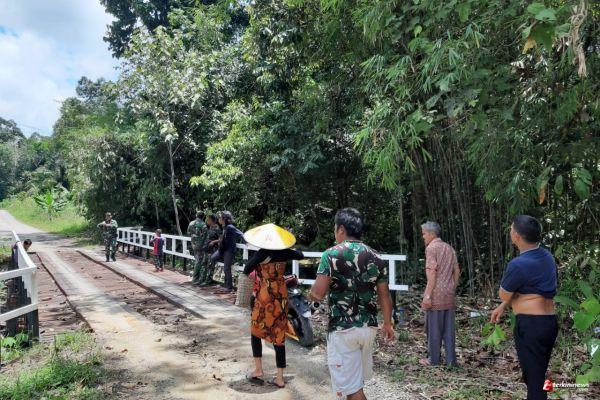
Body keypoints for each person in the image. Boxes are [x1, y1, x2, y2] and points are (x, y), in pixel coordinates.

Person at [310, 208, 394, 400]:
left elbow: (318, 293)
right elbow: (384, 295)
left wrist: (310, 296)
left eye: (334, 229)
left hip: (343, 330)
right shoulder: (376, 257)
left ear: (341, 229)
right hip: (368, 329)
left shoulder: (331, 255)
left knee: (353, 391)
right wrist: (388, 323)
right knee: (355, 385)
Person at [490, 215, 558, 400]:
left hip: (531, 325)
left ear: (517, 236)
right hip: (549, 323)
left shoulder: (518, 265)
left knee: (534, 380)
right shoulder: (547, 256)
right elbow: (534, 289)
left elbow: (504, 294)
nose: (510, 231)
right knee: (537, 374)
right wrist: (503, 306)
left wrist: (505, 300)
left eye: (512, 228)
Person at [242, 223, 304, 389]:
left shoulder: (263, 253)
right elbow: (301, 255)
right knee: (279, 333)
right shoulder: (285, 252)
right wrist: (288, 247)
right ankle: (280, 378)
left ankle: (258, 369)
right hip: (281, 295)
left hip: (265, 296)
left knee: (256, 330)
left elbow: (247, 268)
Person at [419, 221, 460, 367]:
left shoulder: (431, 248)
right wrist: (452, 287)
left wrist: (427, 296)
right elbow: (457, 270)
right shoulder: (449, 248)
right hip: (449, 293)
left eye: (424, 234)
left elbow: (432, 273)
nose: (423, 237)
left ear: (431, 234)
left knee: (434, 329)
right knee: (449, 330)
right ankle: (451, 361)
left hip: (435, 294)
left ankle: (433, 360)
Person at [211, 211, 243, 294]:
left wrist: (247, 242)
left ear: (224, 219)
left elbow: (240, 234)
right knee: (213, 258)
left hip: (229, 250)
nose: (218, 219)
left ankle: (229, 287)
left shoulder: (230, 227)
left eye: (220, 217)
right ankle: (228, 262)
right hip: (223, 250)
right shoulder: (224, 227)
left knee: (226, 268)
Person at [198, 214, 222, 285]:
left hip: (212, 250)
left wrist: (214, 242)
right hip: (207, 249)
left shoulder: (217, 228)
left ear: (211, 220)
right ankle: (202, 279)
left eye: (208, 220)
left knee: (210, 266)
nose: (207, 221)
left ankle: (208, 281)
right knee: (204, 264)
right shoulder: (209, 227)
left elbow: (221, 239)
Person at [188, 211, 209, 284]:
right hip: (201, 246)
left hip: (193, 244)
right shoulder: (203, 225)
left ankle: (196, 278)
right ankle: (196, 279)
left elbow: (189, 233)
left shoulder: (191, 223)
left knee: (197, 260)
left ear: (196, 215)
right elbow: (206, 237)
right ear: (203, 216)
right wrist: (205, 246)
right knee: (200, 262)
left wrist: (193, 242)